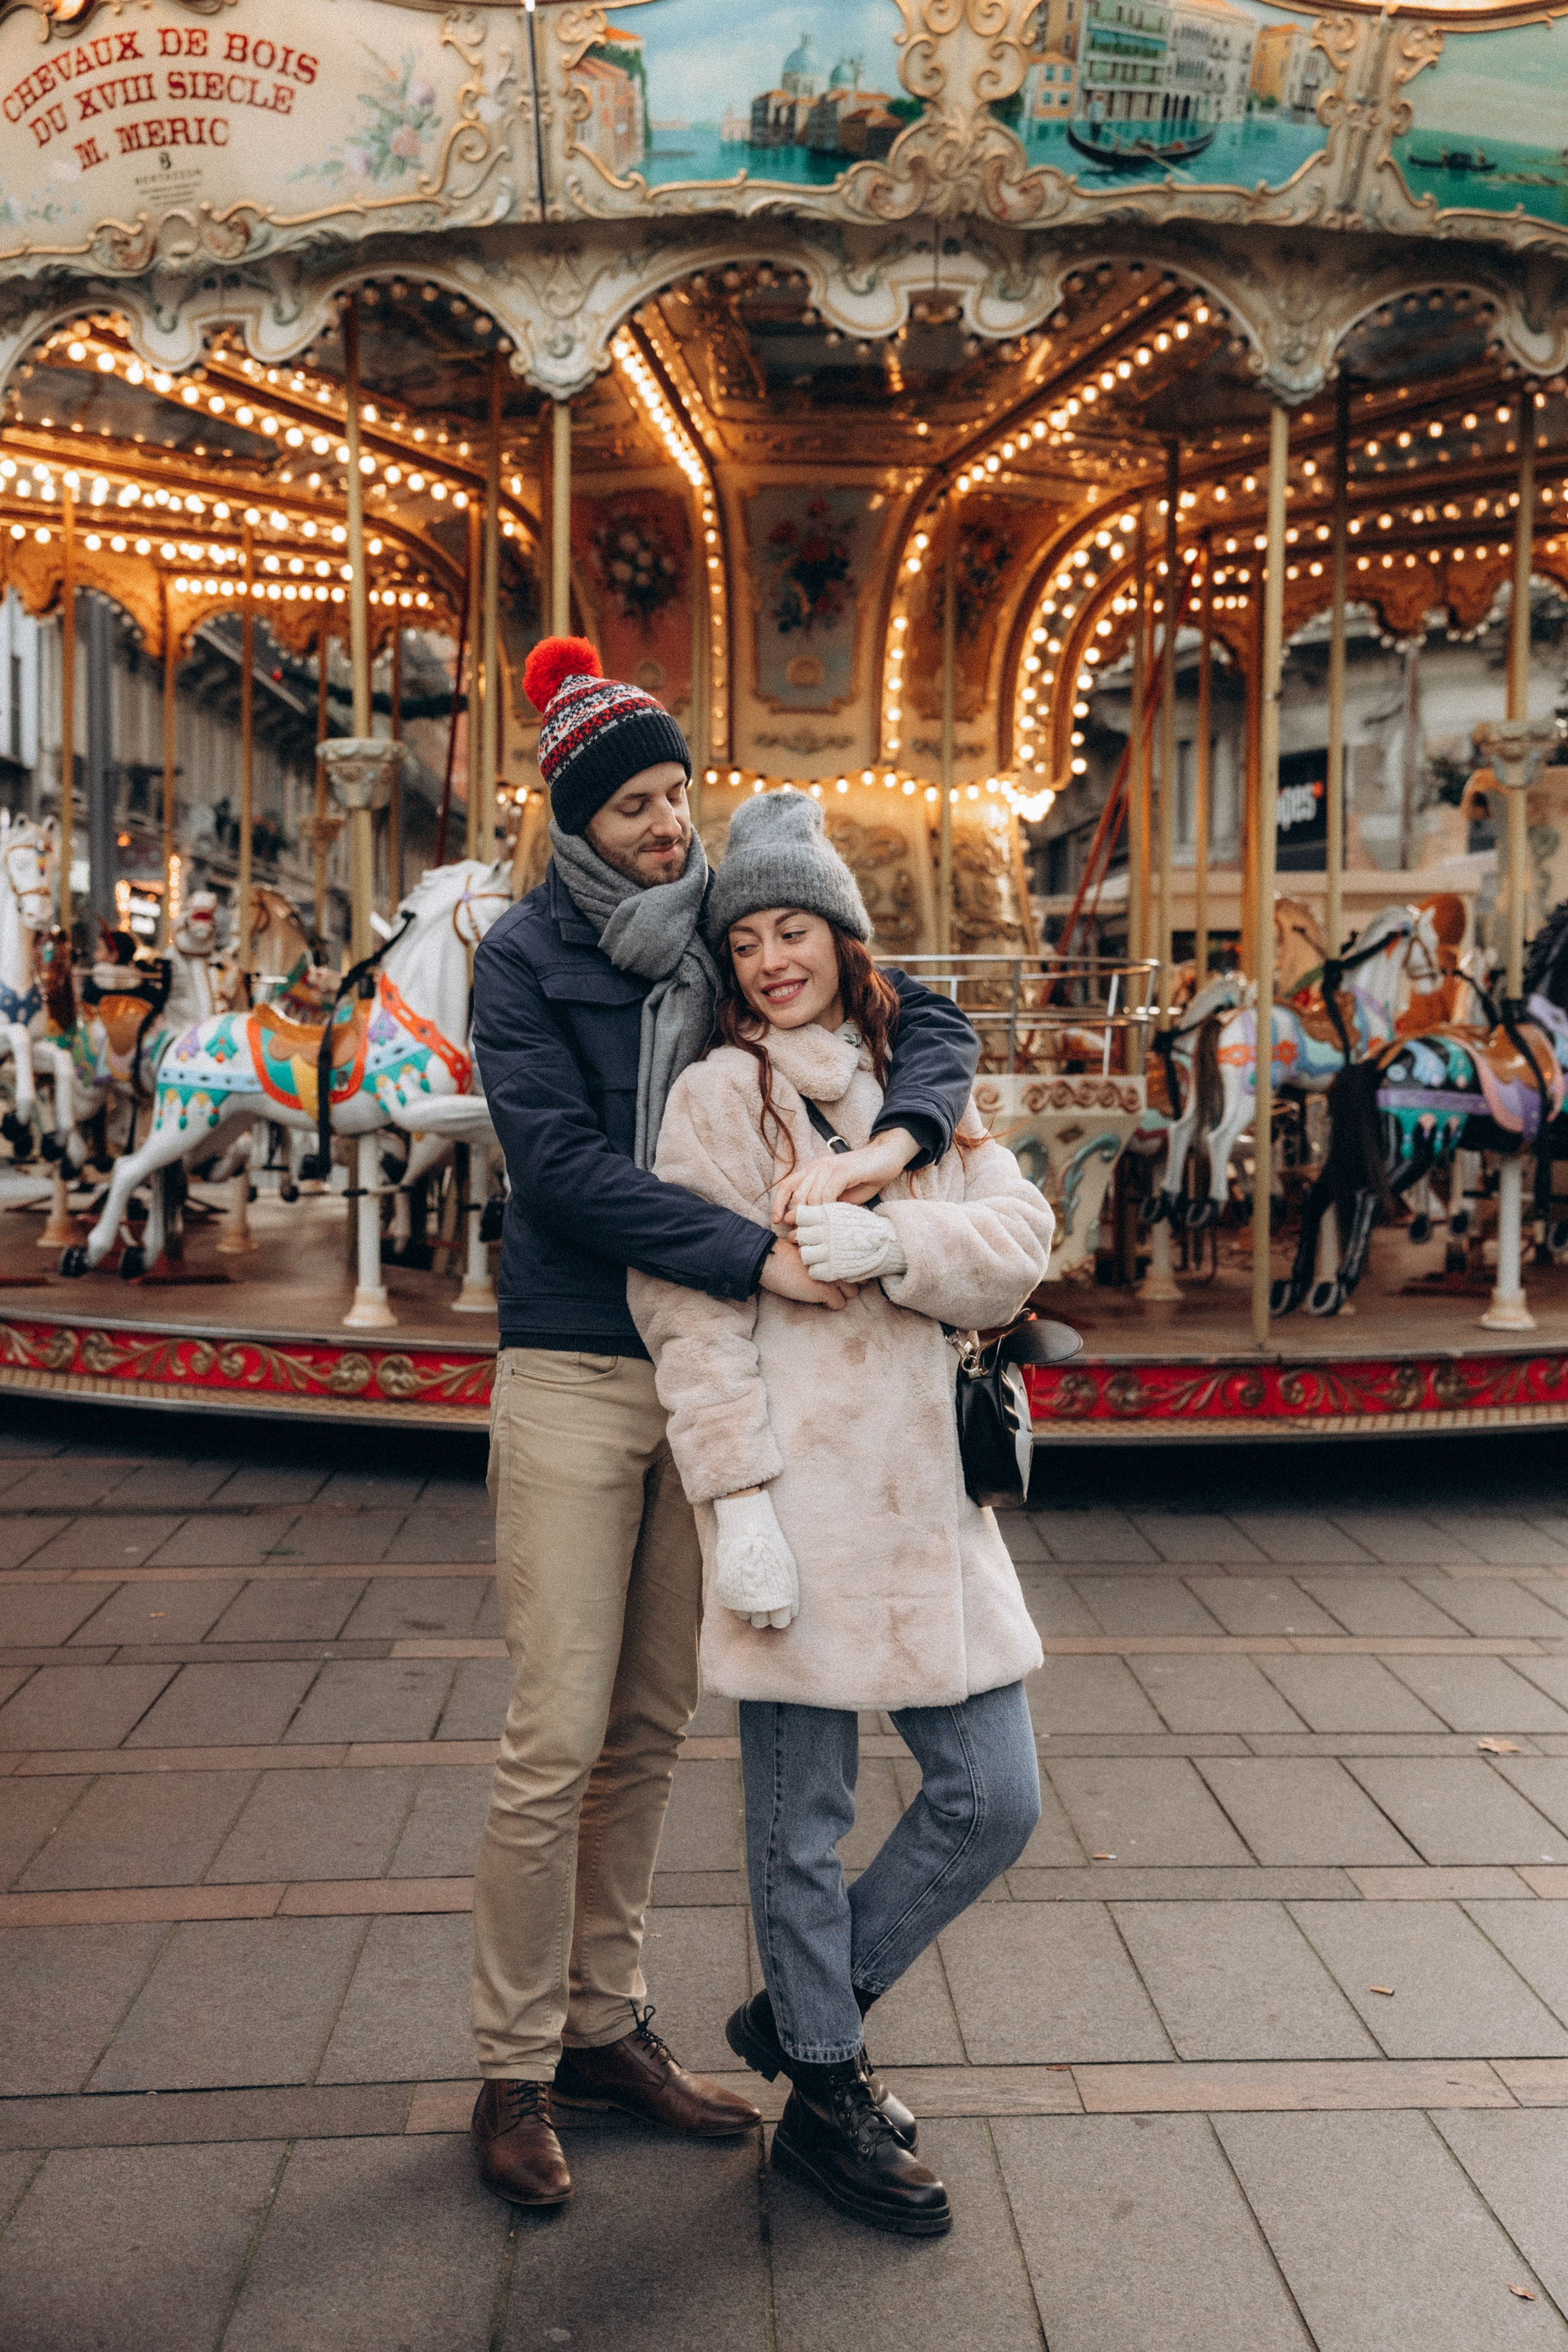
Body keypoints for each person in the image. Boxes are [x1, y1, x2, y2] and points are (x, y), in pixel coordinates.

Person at [468, 641, 981, 2209]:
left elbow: (928, 1018)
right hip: (572, 1360)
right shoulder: (522, 959)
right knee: (553, 1730)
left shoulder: (722, 934)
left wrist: (891, 1147)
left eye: (678, 794)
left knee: (646, 1728)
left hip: (711, 1378)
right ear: (575, 820)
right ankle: (506, 2067)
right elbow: (561, 1169)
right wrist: (750, 1251)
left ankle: (602, 2027)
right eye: (635, 806)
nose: (669, 827)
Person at [628, 788, 1051, 2237]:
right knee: (794, 1823)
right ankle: (823, 2086)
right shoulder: (712, 1100)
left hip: (929, 1508)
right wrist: (734, 1501)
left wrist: (902, 1237)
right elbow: (690, 1317)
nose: (767, 960)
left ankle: (802, 2017)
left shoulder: (916, 1084)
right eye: (743, 938)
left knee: (993, 1797)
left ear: (841, 934)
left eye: (791, 928)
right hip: (798, 1509)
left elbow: (1018, 1241)